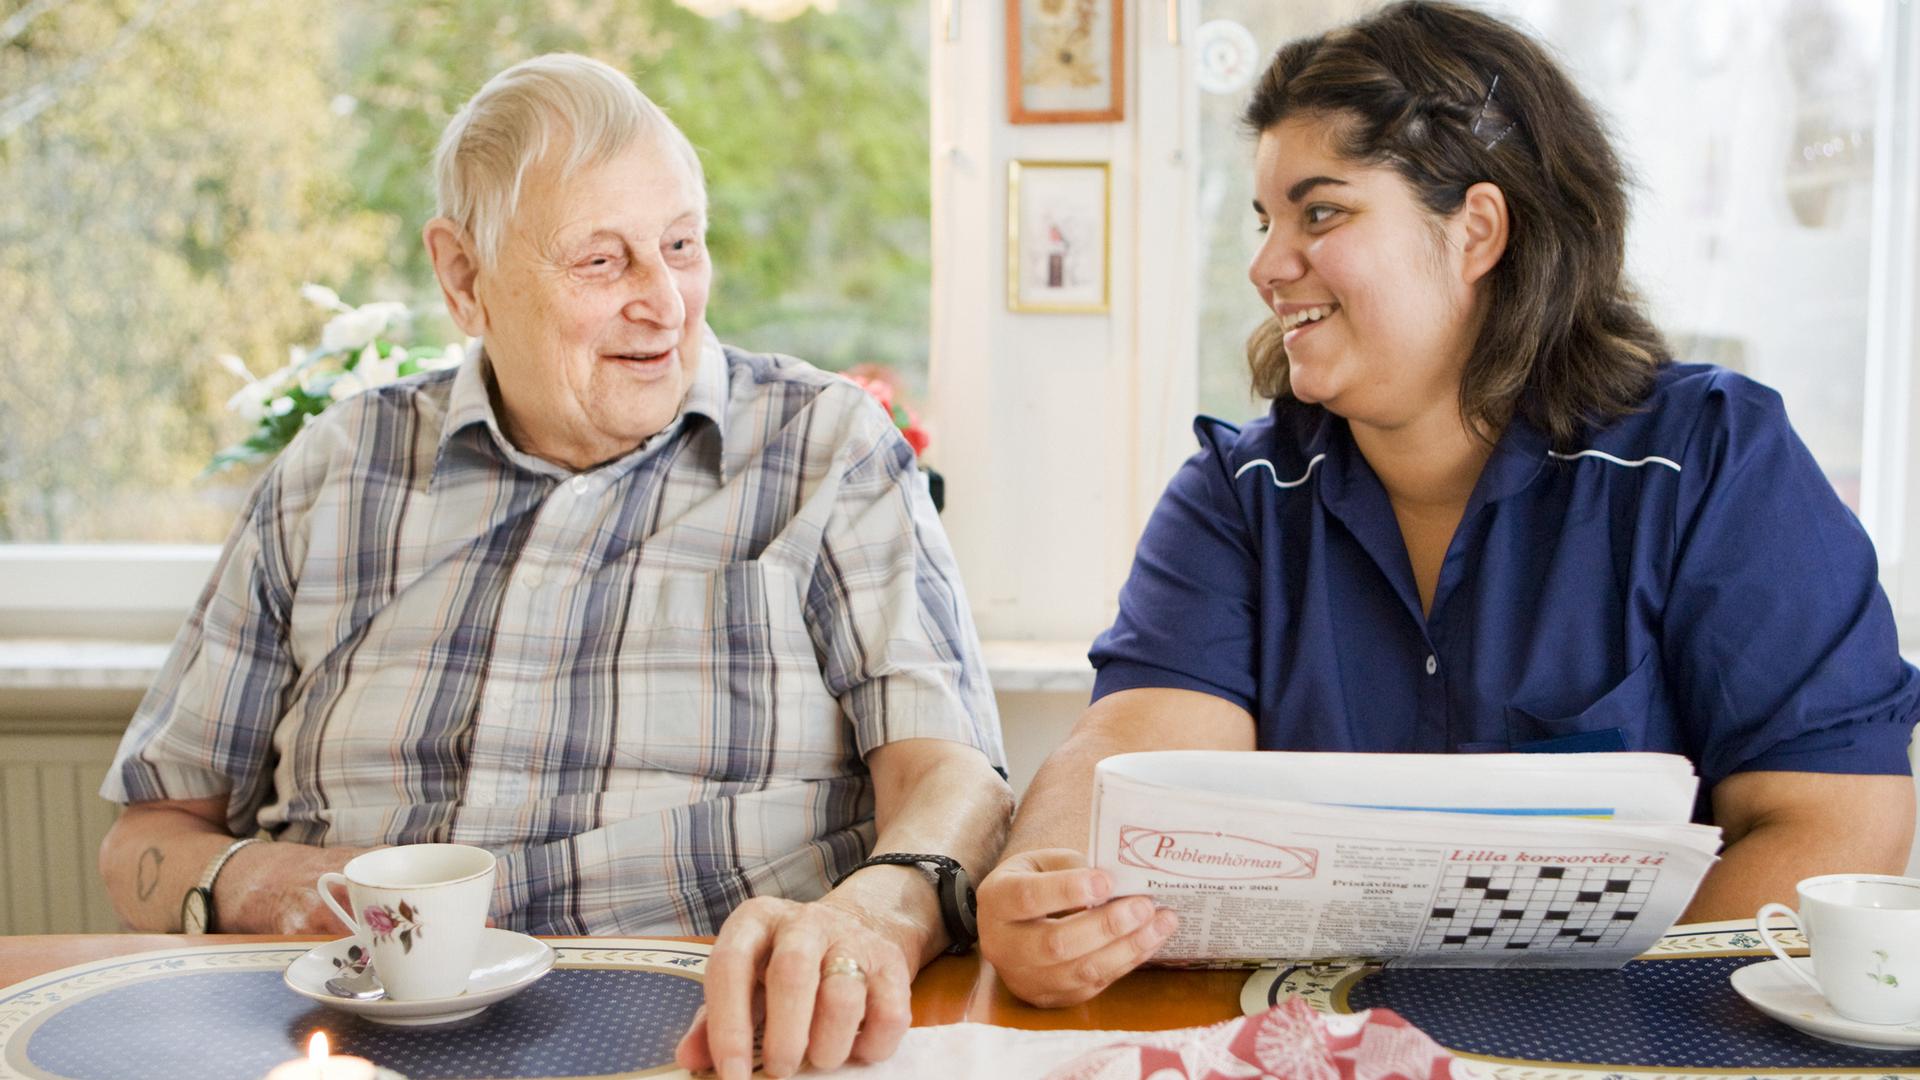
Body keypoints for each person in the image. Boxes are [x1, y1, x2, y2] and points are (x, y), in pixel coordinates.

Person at [978, 0, 1919, 1008]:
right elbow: (1131, 752)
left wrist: (1573, 1035)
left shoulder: (1712, 460)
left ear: (1475, 231)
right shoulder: (1238, 495)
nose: (1264, 264)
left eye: (1321, 212)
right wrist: (1043, 879)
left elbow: (1834, 820)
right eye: (1266, 221)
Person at [96, 53, 1012, 1078]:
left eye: (681, 245)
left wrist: (875, 911)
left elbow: (953, 774)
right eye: (602, 263)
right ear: (463, 277)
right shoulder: (338, 473)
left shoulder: (823, 450)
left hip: (710, 1042)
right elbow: (151, 833)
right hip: (354, 1048)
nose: (666, 302)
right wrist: (275, 886)